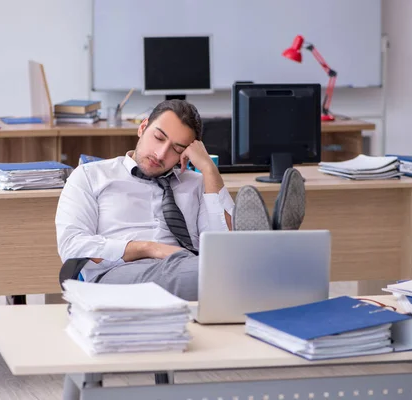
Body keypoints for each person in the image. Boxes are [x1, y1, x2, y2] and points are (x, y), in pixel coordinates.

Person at [56, 99, 305, 300]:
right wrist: (150, 248)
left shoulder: (196, 183)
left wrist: (208, 169)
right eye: (159, 137)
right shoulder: (91, 175)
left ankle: (267, 249)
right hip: (117, 273)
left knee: (225, 261)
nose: (161, 153)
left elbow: (223, 244)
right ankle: (271, 250)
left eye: (176, 149)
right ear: (142, 127)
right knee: (233, 271)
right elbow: (71, 245)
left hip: (189, 266)